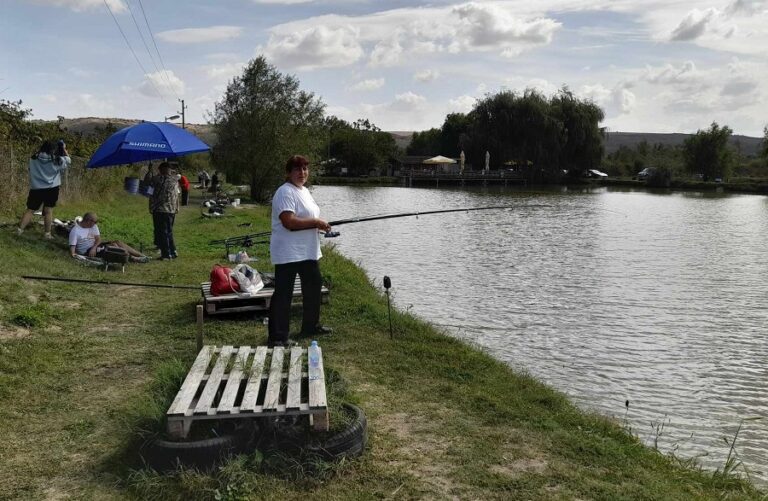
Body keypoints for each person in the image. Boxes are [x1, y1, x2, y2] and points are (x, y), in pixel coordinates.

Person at [267, 155, 332, 347]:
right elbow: (289, 222)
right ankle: (278, 337)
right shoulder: (285, 192)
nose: (302, 173)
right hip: (288, 253)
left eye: (305, 169)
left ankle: (310, 326)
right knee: (283, 295)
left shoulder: (304, 191)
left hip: (309, 252)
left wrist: (319, 225)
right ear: (289, 172)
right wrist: (316, 222)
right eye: (297, 169)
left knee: (313, 289)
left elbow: (307, 216)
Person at [17, 139, 71, 239]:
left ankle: (19, 230)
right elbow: (68, 160)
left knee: (30, 210)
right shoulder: (57, 160)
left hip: (36, 188)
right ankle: (47, 234)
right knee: (48, 211)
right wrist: (63, 149)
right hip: (52, 188)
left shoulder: (33, 158)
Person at [69, 212, 150, 263]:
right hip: (87, 251)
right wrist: (80, 257)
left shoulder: (93, 226)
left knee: (117, 242)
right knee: (112, 246)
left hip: (94, 247)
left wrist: (94, 247)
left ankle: (142, 256)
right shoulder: (75, 231)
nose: (96, 224)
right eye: (95, 222)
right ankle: (133, 258)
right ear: (88, 221)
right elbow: (73, 251)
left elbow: (98, 239)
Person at [149, 162, 179, 260]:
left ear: (161, 169)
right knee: (169, 231)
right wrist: (177, 208)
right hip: (171, 210)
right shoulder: (175, 181)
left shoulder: (157, 180)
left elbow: (149, 190)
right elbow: (177, 195)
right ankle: (173, 251)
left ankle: (166, 254)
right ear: (170, 170)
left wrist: (149, 172)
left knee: (162, 232)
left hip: (160, 209)